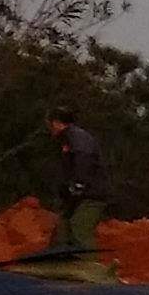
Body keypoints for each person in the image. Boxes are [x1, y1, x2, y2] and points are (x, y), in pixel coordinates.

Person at [43, 107, 105, 256]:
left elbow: (83, 159)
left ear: (56, 123)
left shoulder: (77, 138)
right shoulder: (67, 139)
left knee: (78, 226)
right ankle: (57, 260)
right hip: (78, 195)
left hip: (92, 194)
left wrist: (78, 184)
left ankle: (90, 266)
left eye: (49, 124)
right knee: (62, 229)